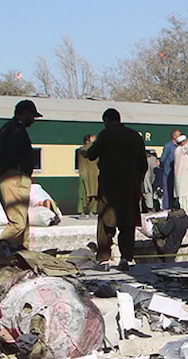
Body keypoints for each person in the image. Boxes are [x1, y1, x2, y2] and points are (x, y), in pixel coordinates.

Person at [85, 108, 148, 269]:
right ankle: (126, 258)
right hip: (130, 187)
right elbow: (144, 165)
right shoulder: (135, 136)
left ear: (106, 120)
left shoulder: (106, 135)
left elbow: (92, 154)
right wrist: (136, 179)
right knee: (128, 225)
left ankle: (104, 259)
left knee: (106, 224)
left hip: (109, 187)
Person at [0, 100, 42, 248]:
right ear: (25, 113)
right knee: (18, 223)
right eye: (32, 116)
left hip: (11, 176)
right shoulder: (16, 131)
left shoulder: (7, 128)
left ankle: (21, 255)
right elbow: (7, 155)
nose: (33, 120)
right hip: (14, 177)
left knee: (23, 224)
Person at [76, 134, 99, 217]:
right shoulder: (82, 149)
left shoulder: (95, 150)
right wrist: (93, 143)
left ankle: (92, 211)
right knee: (83, 194)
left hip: (93, 174)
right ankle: (81, 211)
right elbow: (86, 150)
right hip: (85, 174)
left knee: (94, 194)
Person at [172, 132, 188, 213]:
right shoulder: (179, 150)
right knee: (182, 198)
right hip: (182, 179)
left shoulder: (183, 153)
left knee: (186, 198)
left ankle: (185, 213)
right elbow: (186, 147)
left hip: (185, 179)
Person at [160, 129, 179, 209]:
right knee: (167, 191)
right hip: (168, 172)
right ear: (174, 136)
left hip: (176, 173)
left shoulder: (178, 147)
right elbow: (163, 159)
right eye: (178, 135)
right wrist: (164, 167)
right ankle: (166, 208)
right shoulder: (168, 146)